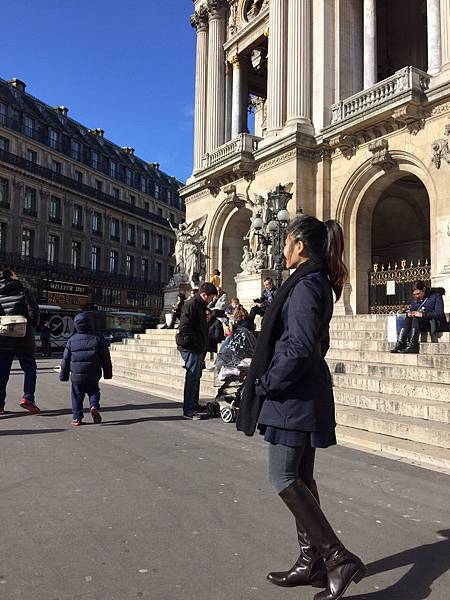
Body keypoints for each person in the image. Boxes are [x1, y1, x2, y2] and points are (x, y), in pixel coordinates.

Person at [237, 215, 366, 600]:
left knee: (282, 476)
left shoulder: (307, 285)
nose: (282, 249)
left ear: (300, 246)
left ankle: (337, 558)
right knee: (302, 479)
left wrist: (266, 382)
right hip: (301, 393)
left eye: (286, 242)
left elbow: (300, 347)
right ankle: (311, 561)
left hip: (293, 396)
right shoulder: (312, 282)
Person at [59, 311, 112, 426]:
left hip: (76, 375)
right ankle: (94, 406)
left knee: (76, 395)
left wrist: (64, 375)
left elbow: (65, 360)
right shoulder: (98, 338)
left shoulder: (72, 340)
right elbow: (105, 358)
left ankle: (77, 418)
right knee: (94, 391)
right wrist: (107, 373)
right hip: (93, 373)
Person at [0, 269, 40, 416]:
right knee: (29, 368)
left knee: (2, 372)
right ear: (12, 276)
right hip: (23, 337)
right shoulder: (23, 290)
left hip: (3, 338)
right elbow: (34, 312)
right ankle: (27, 398)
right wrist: (30, 325)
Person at [176, 282, 217, 419]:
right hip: (191, 347)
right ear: (204, 295)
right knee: (192, 378)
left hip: (198, 346)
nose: (212, 300)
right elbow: (184, 327)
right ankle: (188, 410)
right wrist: (196, 341)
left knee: (196, 377)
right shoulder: (191, 304)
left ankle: (193, 404)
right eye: (211, 297)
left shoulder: (200, 305)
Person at [391, 281, 447, 354]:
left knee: (416, 318)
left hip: (432, 323)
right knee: (409, 318)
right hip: (418, 324)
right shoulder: (415, 299)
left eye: (418, 293)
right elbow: (413, 310)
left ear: (424, 289)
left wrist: (422, 314)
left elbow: (439, 314)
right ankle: (400, 343)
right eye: (415, 294)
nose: (417, 296)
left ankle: (413, 345)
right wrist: (410, 313)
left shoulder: (436, 296)